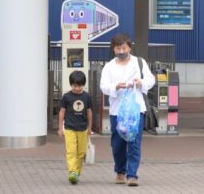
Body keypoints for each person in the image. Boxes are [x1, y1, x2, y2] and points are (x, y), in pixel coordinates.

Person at [99, 33, 156, 187]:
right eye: (118, 48)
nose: (121, 51)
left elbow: (151, 80)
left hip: (136, 110)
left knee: (134, 143)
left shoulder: (139, 62)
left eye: (124, 47)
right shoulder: (109, 66)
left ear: (129, 47)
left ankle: (132, 175)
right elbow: (103, 86)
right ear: (114, 49)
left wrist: (140, 82)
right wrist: (116, 86)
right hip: (117, 111)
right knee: (117, 144)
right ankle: (120, 171)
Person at [59, 70, 94, 185]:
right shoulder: (66, 97)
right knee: (71, 152)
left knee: (81, 153)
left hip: (83, 129)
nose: (77, 88)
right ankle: (72, 172)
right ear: (71, 84)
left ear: (83, 85)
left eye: (80, 86)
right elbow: (62, 112)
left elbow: (89, 112)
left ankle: (76, 173)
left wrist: (90, 127)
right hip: (69, 128)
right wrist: (60, 128)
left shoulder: (87, 97)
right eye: (75, 86)